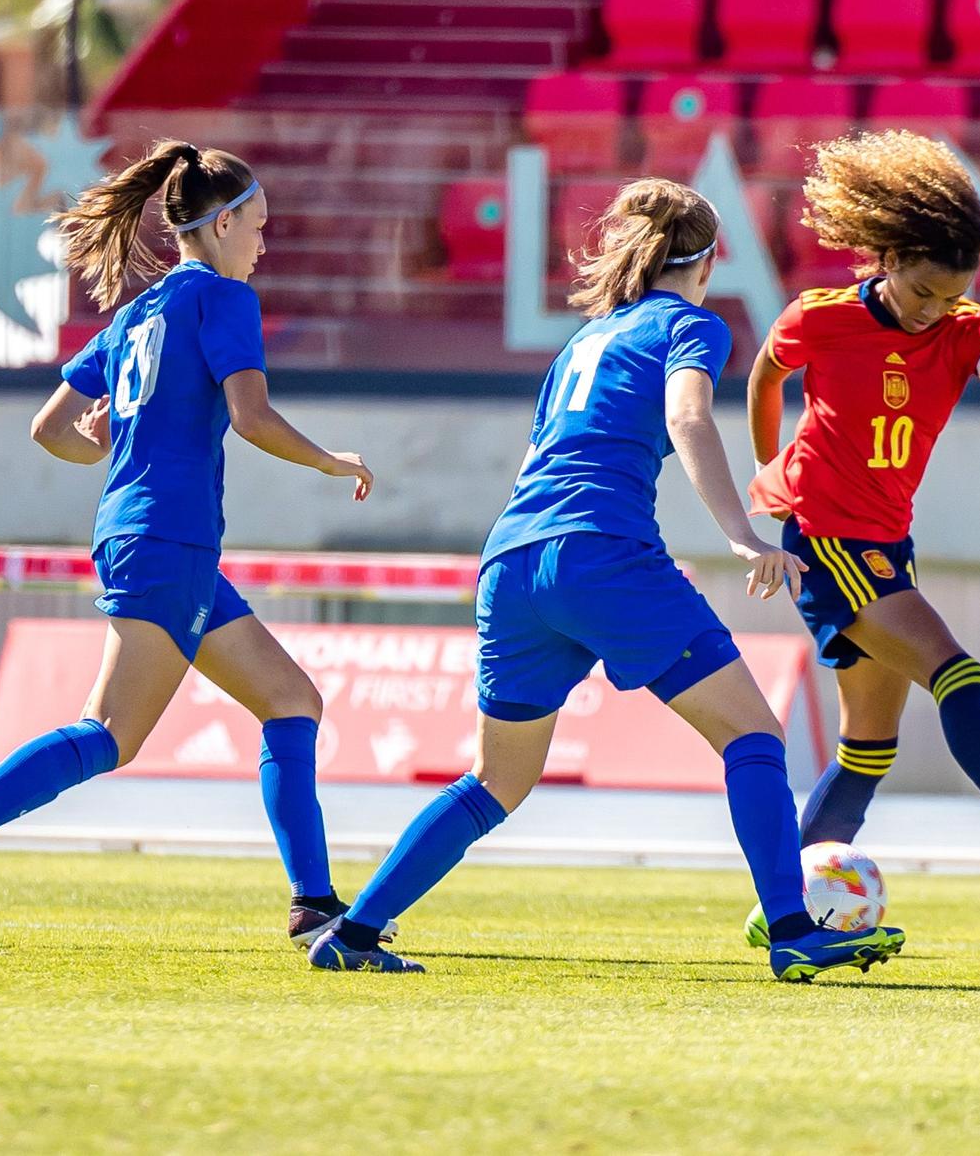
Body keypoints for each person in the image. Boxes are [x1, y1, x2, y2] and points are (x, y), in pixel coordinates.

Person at [308, 179, 906, 981]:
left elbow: (539, 459)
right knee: (754, 736)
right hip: (601, 551)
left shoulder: (583, 341)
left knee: (495, 780)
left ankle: (354, 931)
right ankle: (795, 928)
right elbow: (688, 417)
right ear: (706, 262)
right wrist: (739, 533)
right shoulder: (692, 323)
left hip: (514, 557)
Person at [0, 142, 379, 951]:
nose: (264, 244)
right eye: (257, 227)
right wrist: (331, 459)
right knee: (110, 734)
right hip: (171, 536)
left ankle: (314, 903)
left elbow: (50, 429)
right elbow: (251, 417)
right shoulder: (223, 300)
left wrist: (111, 439)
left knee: (293, 701)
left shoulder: (135, 315)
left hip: (139, 532)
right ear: (221, 226)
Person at [740, 131, 980, 948]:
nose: (931, 309)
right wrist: (767, 462)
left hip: (888, 545)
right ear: (884, 256)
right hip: (828, 541)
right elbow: (767, 374)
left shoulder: (963, 329)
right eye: (920, 289)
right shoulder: (823, 318)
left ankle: (782, 905)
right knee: (953, 669)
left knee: (868, 747)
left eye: (948, 296)